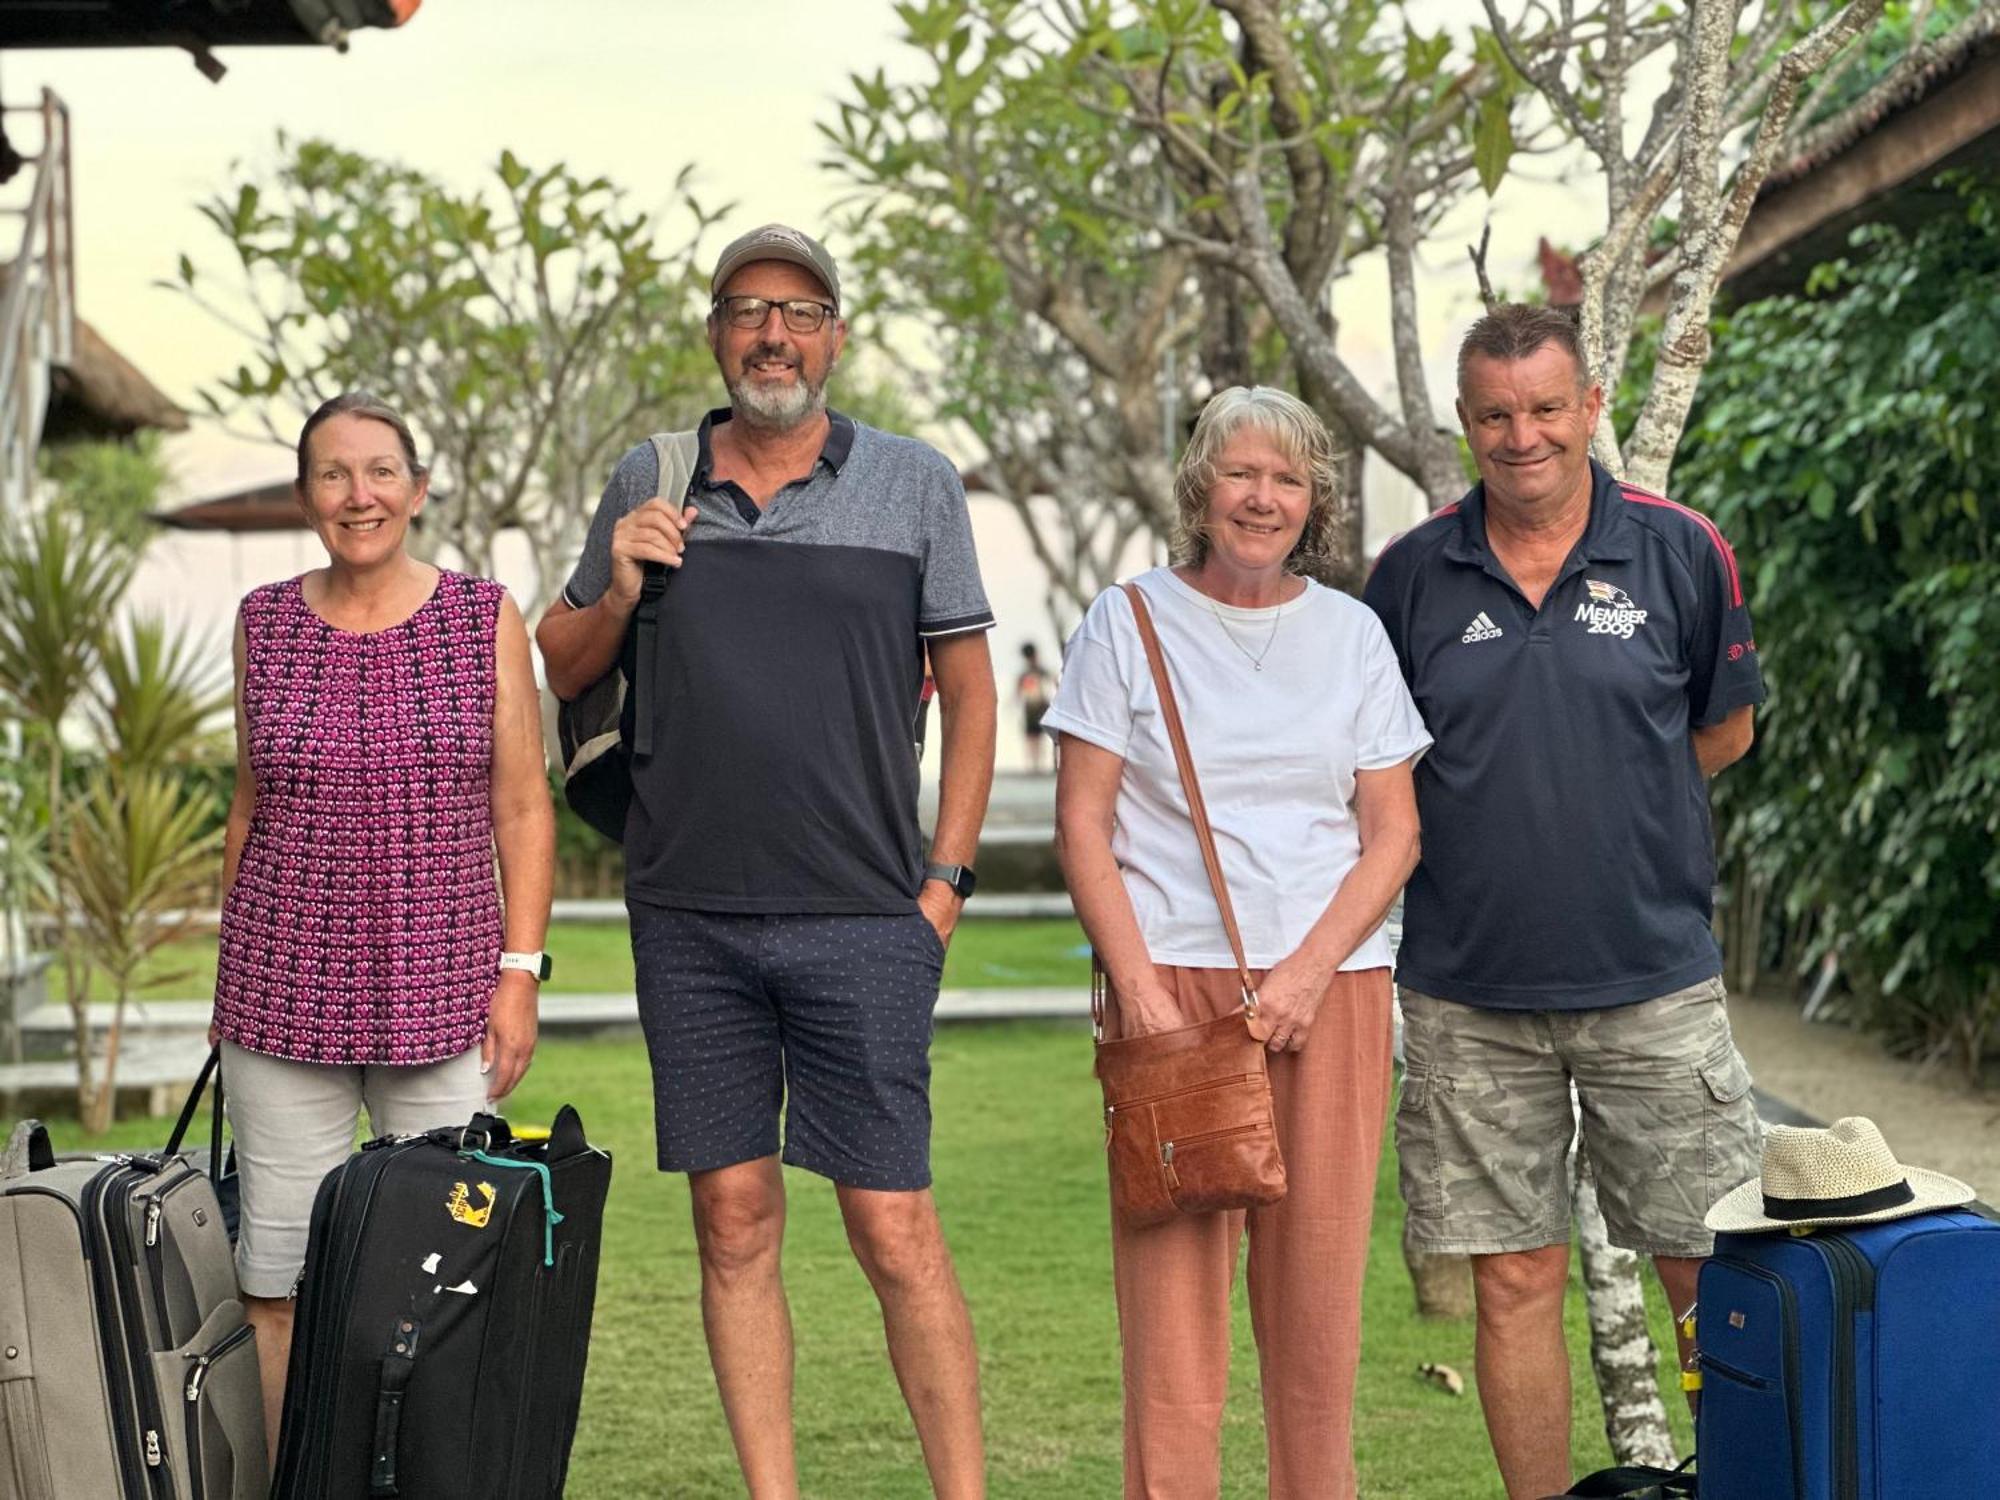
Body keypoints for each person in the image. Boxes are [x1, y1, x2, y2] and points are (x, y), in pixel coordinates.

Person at [535, 223, 997, 1499]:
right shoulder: (653, 472)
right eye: (747, 311)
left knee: (892, 1226)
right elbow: (558, 665)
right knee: (731, 1219)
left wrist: (944, 883)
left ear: (834, 336)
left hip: (864, 914)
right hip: (688, 917)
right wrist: (622, 583)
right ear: (715, 336)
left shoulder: (914, 483)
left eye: (798, 312)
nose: (772, 335)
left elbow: (968, 690)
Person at [1362, 304, 1766, 1500]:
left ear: (1591, 405)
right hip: (1464, 995)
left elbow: (1722, 727)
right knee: (1512, 1280)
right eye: (1495, 414)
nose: (1521, 435)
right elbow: (1375, 770)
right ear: (1464, 422)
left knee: (1708, 1271)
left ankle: (1737, 1486)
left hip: (1652, 982)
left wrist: (1603, 795)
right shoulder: (1406, 579)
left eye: (1545, 407)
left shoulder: (1682, 550)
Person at [1045, 385, 1429, 1500]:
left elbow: (1393, 831)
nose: (1261, 497)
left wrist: (1307, 975)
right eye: (1240, 472)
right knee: (1171, 1338)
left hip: (1332, 992)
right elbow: (1083, 826)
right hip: (1170, 982)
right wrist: (1145, 998)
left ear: (1313, 503)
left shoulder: (1351, 635)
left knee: (1315, 1323)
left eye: (1287, 479)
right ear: (1199, 486)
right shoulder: (1126, 622)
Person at [212, 391, 554, 1456]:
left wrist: (520, 972)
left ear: (416, 486)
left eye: (379, 472)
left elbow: (521, 806)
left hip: (444, 991)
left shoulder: (479, 615)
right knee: (275, 1287)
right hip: (278, 999)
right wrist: (227, 976)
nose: (357, 495)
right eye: (331, 474)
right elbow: (248, 802)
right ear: (305, 493)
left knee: (438, 1288)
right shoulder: (263, 620)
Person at [1015, 640, 1055, 771]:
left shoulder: (1040, 672)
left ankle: (1038, 765)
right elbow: (1019, 691)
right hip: (1032, 708)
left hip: (1040, 706)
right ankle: (1034, 765)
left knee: (1038, 737)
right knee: (1032, 738)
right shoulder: (1026, 674)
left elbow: (1052, 682)